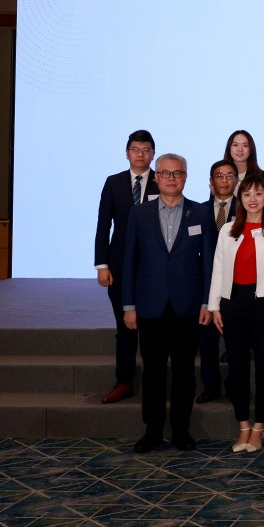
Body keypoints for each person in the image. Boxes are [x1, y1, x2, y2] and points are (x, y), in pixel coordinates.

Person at [121, 153, 216, 452]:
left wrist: (207, 302)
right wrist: (128, 305)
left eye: (177, 173)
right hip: (150, 305)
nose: (171, 178)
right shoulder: (139, 214)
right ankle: (152, 430)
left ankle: (181, 430)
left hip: (188, 306)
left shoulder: (201, 213)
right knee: (153, 372)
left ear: (185, 177)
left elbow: (209, 263)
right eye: (165, 173)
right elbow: (129, 261)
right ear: (156, 177)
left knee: (185, 372)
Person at [209, 174, 264, 453]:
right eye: (246, 194)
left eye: (258, 194)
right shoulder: (227, 229)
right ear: (239, 199)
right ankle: (243, 425)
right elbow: (218, 268)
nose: (252, 199)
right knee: (237, 369)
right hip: (233, 303)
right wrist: (214, 306)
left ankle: (259, 426)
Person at [94, 129, 156, 405]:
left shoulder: (163, 179)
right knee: (124, 326)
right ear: (127, 153)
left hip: (153, 267)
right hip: (119, 265)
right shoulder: (113, 182)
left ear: (152, 153)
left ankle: (154, 381)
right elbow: (103, 225)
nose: (140, 154)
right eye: (135, 149)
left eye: (146, 149)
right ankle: (124, 381)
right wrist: (102, 265)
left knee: (152, 327)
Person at [197, 159, 238, 404]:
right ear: (211, 182)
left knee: (235, 339)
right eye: (219, 176)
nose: (224, 180)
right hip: (204, 284)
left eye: (229, 176)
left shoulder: (246, 209)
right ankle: (210, 385)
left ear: (236, 181)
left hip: (236, 284)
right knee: (207, 340)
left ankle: (234, 384)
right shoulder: (197, 210)